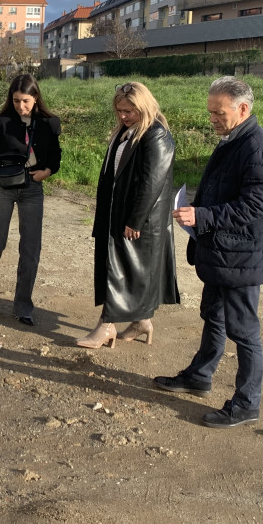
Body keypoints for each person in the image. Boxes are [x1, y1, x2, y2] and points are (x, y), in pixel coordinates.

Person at [155, 76, 263, 428]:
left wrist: (202, 215)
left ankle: (247, 404)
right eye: (210, 112)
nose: (212, 118)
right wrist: (198, 211)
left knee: (244, 330)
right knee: (213, 314)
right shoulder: (232, 140)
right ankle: (200, 376)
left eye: (219, 112)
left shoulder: (258, 148)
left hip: (244, 256)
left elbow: (254, 206)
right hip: (224, 251)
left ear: (242, 109)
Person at [77, 82, 180, 348]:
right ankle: (141, 321)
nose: (123, 116)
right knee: (127, 271)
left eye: (129, 111)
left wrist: (135, 219)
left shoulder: (156, 135)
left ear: (143, 107)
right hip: (117, 213)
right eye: (120, 110)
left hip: (138, 220)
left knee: (119, 271)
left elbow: (152, 182)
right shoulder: (127, 131)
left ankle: (107, 326)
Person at [0, 74, 61, 326]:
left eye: (26, 101)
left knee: (30, 248)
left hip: (33, 187)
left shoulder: (49, 123)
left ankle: (23, 306)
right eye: (16, 101)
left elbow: (56, 155)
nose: (21, 106)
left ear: (36, 99)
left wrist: (49, 171)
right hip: (3, 186)